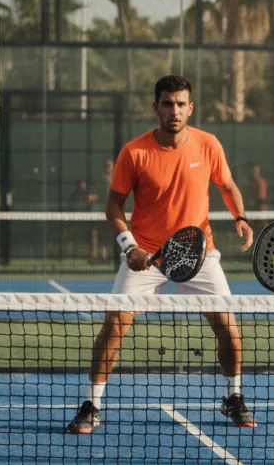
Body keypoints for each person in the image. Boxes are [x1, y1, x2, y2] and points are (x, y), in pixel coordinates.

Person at [65, 75, 257, 434]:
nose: (174, 111)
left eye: (181, 104)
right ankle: (92, 404)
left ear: (191, 108)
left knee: (229, 329)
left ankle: (233, 396)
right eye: (168, 104)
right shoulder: (134, 152)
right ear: (156, 107)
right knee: (114, 326)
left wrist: (241, 218)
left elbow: (227, 185)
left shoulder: (208, 144)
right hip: (145, 255)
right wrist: (129, 247)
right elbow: (113, 205)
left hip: (199, 254)